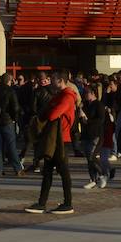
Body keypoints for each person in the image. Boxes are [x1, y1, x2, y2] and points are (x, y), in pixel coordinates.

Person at [25, 73, 76, 215]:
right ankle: (41, 203)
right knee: (47, 171)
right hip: (53, 139)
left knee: (63, 171)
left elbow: (53, 114)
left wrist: (48, 111)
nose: (50, 82)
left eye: (53, 79)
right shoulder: (59, 95)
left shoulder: (67, 96)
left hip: (61, 140)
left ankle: (68, 203)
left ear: (60, 81)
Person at [0, 72, 22, 176]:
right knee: (11, 146)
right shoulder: (11, 91)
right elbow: (15, 107)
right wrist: (15, 119)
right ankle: (18, 169)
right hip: (7, 120)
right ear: (9, 81)